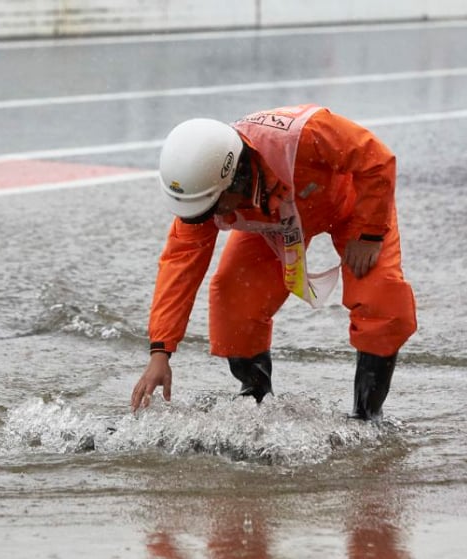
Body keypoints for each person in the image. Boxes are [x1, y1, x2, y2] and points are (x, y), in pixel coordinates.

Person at [130, 104, 417, 420]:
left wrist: (370, 234)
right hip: (277, 221)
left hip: (353, 210)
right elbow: (179, 266)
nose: (212, 218)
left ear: (236, 177)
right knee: (233, 297)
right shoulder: (203, 192)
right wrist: (160, 352)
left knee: (381, 299)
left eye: (215, 207)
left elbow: (376, 159)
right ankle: (256, 399)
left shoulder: (305, 134)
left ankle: (367, 416)